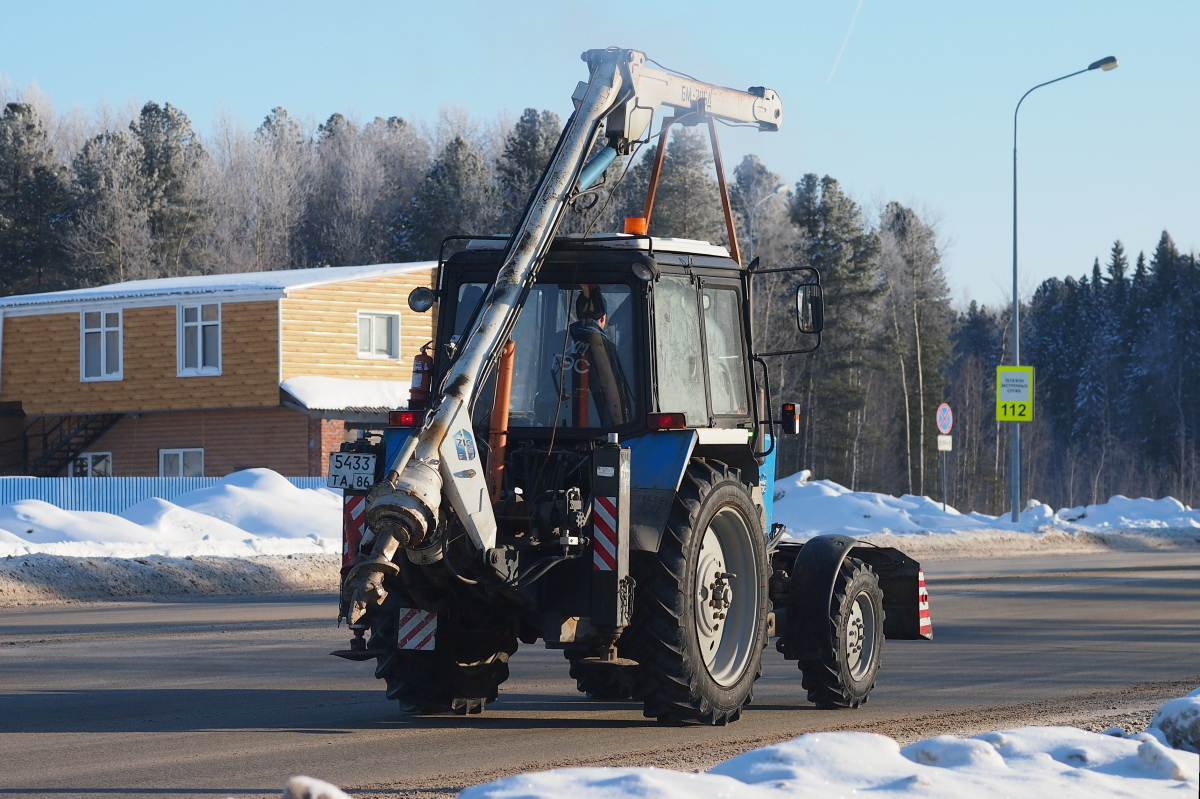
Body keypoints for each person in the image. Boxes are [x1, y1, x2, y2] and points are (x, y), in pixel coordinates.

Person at [568, 286, 634, 426]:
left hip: (554, 422)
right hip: (599, 426)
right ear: (603, 318)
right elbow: (616, 390)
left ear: (578, 315)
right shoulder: (608, 349)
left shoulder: (556, 341)